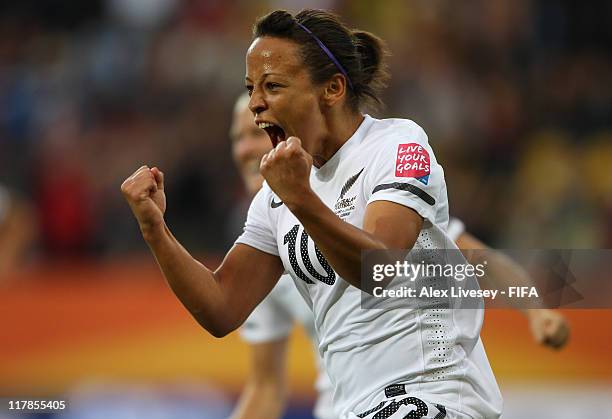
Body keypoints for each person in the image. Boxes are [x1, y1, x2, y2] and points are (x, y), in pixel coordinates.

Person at [122, 9, 502, 418]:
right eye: (250, 88)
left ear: (333, 89)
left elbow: (378, 269)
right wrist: (155, 229)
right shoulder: (275, 196)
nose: (254, 104)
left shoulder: (397, 146)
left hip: (432, 394)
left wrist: (301, 198)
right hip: (354, 407)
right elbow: (221, 307)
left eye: (273, 86)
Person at [227, 93, 570, 419]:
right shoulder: (260, 249)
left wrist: (537, 312)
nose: (244, 149)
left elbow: (479, 257)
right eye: (236, 138)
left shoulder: (367, 203)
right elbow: (265, 387)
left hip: (414, 401)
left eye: (256, 134)